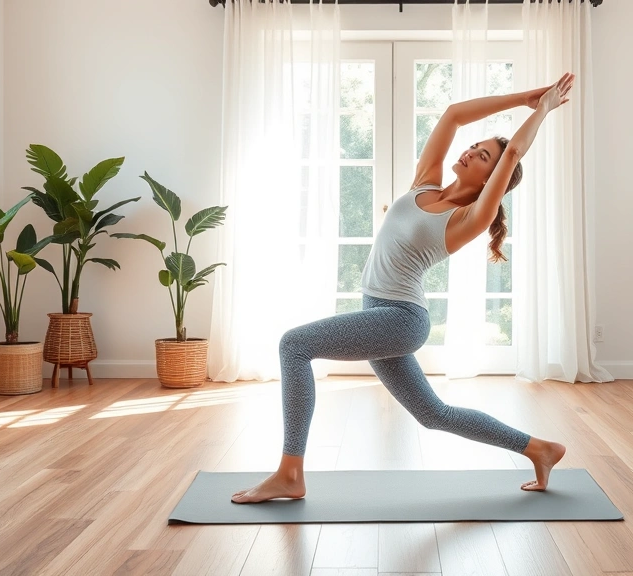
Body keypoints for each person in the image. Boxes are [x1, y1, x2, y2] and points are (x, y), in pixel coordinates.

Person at [232, 73, 576, 504]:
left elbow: (515, 154)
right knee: (433, 414)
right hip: (379, 311)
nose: (470, 151)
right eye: (475, 145)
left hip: (400, 319)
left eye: (483, 154)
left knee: (294, 345)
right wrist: (522, 97)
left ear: (494, 179)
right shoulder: (425, 184)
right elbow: (452, 116)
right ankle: (540, 448)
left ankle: (290, 473)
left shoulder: (469, 218)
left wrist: (542, 111)